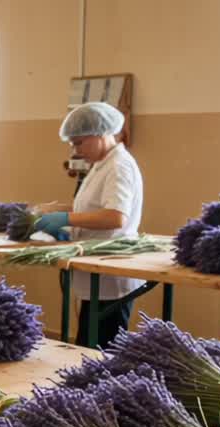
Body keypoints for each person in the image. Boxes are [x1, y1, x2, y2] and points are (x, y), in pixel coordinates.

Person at [33, 101, 144, 348]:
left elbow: (116, 216)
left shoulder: (119, 166)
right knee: (88, 344)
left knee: (101, 349)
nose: (76, 150)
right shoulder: (100, 166)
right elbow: (92, 208)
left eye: (79, 142)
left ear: (101, 134)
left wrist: (67, 219)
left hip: (110, 272)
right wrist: (55, 211)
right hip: (96, 268)